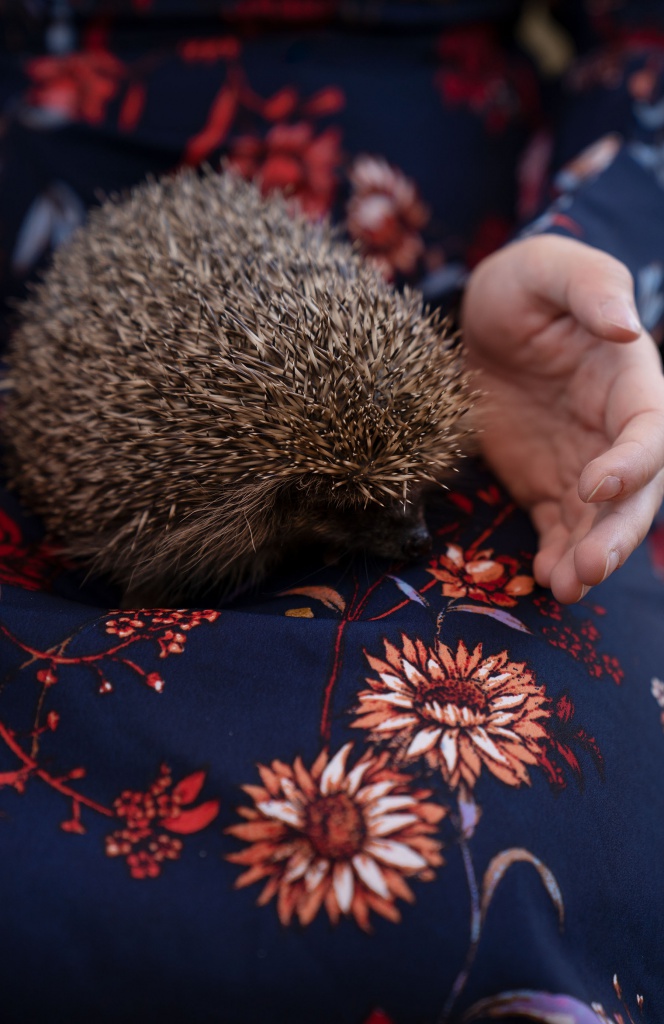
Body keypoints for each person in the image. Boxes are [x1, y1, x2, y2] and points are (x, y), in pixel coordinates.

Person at [0, 3, 663, 1022]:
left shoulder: (401, 410)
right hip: (54, 377)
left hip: (483, 341)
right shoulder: (202, 495)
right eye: (365, 512)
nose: (403, 531)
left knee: (489, 858)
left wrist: (595, 241)